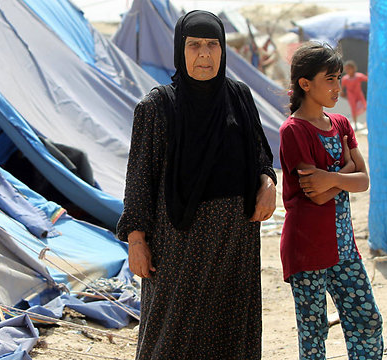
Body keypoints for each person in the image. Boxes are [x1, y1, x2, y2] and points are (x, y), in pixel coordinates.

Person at [117, 10, 277, 359]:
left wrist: (268, 183)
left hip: (237, 241)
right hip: (179, 244)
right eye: (194, 45)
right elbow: (139, 179)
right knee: (172, 334)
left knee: (232, 331)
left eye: (212, 45)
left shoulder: (239, 96)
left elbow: (262, 157)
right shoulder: (157, 107)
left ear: (222, 51)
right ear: (180, 49)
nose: (204, 54)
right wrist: (136, 240)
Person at [279, 43, 383, 360]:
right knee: (314, 335)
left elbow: (363, 181)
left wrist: (334, 177)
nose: (337, 87)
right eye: (330, 79)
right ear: (305, 84)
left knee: (366, 319)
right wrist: (345, 172)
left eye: (339, 78)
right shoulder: (294, 131)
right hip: (307, 248)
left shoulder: (341, 124)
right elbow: (316, 192)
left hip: (344, 247)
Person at [340, 60, 368, 130]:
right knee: (353, 110)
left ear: (353, 68)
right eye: (346, 69)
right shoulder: (345, 79)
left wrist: (368, 75)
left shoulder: (358, 76)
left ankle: (367, 122)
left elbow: (367, 79)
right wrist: (342, 93)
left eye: (349, 68)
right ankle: (355, 125)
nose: (348, 70)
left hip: (359, 95)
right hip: (351, 96)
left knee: (365, 107)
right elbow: (342, 88)